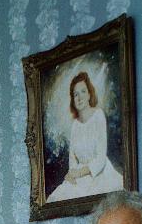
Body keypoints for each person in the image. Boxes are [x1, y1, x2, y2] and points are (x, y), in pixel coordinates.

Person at [47, 70, 123, 203]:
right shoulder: (75, 125)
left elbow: (101, 159)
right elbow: (72, 160)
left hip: (99, 174)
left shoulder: (98, 115)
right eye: (75, 94)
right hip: (78, 176)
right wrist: (72, 174)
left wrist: (80, 172)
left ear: (89, 94)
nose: (79, 97)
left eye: (83, 92)